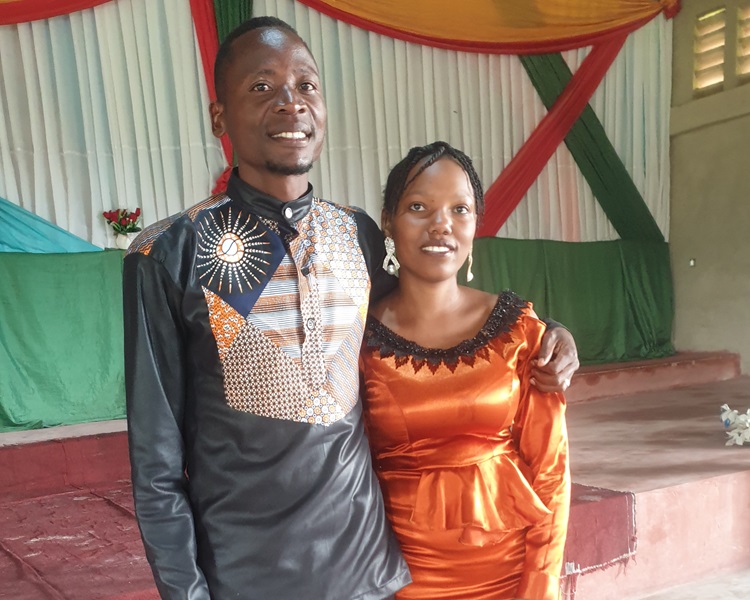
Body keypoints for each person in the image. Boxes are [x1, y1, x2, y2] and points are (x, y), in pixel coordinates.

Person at [122, 16, 576, 600]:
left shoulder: (355, 235)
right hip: (245, 578)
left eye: (306, 85)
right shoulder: (167, 254)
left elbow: (428, 313)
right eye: (262, 87)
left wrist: (549, 331)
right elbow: (156, 469)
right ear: (220, 118)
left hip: (367, 574)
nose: (291, 103)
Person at [359, 141, 571, 600]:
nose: (442, 225)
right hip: (400, 580)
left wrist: (540, 589)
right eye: (419, 207)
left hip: (510, 577)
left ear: (476, 223)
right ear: (388, 221)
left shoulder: (519, 331)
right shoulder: (357, 341)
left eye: (460, 209)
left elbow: (551, 473)